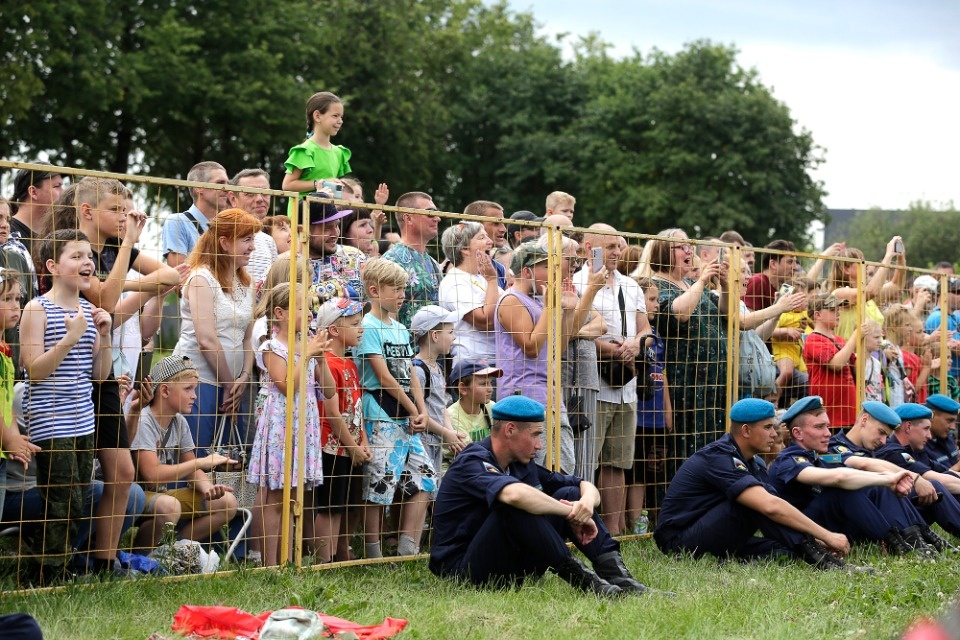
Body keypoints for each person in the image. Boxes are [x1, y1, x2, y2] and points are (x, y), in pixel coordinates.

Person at [429, 395, 652, 596]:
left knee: (570, 493)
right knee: (518, 505)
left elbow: (583, 484)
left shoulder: (520, 463)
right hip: (462, 570)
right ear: (510, 430)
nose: (539, 445)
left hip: (507, 565)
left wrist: (583, 504)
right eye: (535, 435)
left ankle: (621, 579)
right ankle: (588, 583)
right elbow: (515, 496)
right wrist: (570, 513)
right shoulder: (473, 460)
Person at [654, 398, 856, 570]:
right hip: (679, 543)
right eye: (768, 427)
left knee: (783, 549)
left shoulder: (754, 462)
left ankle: (729, 559)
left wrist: (816, 540)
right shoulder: (719, 457)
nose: (775, 435)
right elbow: (770, 507)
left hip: (712, 531)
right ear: (746, 430)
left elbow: (775, 503)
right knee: (755, 502)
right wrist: (828, 536)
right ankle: (824, 564)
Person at [19, 229, 113, 584]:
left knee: (77, 499)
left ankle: (60, 565)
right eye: (76, 256)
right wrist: (70, 337)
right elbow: (35, 370)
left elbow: (100, 375)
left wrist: (103, 335)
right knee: (59, 501)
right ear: (52, 266)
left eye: (89, 256)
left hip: (82, 421)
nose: (87, 262)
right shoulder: (37, 308)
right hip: (50, 421)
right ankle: (47, 573)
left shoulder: (90, 311)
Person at [768, 396, 936, 556]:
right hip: (803, 531)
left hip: (832, 524)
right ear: (797, 433)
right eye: (819, 427)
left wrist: (886, 479)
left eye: (827, 426)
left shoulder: (820, 456)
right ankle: (895, 543)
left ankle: (918, 538)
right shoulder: (788, 460)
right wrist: (887, 479)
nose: (828, 433)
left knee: (874, 485)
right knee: (842, 491)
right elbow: (839, 477)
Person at [495, 242, 601, 474]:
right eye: (546, 268)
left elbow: (557, 349)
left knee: (563, 469)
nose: (554, 274)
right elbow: (531, 347)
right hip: (522, 396)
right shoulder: (511, 300)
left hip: (551, 397)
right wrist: (550, 308)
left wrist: (569, 310)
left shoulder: (538, 302)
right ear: (527, 271)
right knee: (531, 472)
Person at [355, 258, 437, 558]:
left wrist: (421, 409)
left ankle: (408, 548)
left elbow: (410, 372)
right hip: (380, 412)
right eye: (397, 289)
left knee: (426, 476)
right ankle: (373, 553)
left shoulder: (401, 328)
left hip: (407, 415)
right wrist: (411, 407)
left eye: (404, 288)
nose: (403, 295)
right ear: (375, 291)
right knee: (379, 484)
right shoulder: (368, 326)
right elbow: (383, 375)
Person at [247, 284, 333, 566]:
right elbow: (286, 386)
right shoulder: (271, 347)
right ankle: (269, 563)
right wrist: (307, 354)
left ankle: (288, 557)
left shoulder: (307, 346)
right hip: (281, 424)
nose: (308, 313)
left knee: (294, 495)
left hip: (304, 424)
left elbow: (329, 391)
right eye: (300, 308)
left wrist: (318, 357)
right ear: (280, 313)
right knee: (274, 495)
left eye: (309, 307)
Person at [573, 224, 649, 535]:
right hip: (593, 383)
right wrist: (611, 351)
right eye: (610, 246)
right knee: (587, 459)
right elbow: (573, 330)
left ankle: (614, 530)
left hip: (626, 387)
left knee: (618, 462)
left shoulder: (631, 286)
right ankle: (583, 527)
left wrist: (635, 344)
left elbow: (645, 329)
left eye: (620, 246)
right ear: (590, 246)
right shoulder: (577, 283)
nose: (617, 251)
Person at [636, 229, 728, 468]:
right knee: (682, 451)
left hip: (710, 384)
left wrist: (726, 286)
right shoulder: (656, 284)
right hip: (682, 383)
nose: (690, 251)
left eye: (690, 246)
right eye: (681, 247)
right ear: (663, 252)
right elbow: (679, 314)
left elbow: (727, 314)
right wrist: (700, 281)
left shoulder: (691, 284)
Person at [128, 356, 239, 553]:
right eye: (188, 389)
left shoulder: (179, 422)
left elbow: (192, 470)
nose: (195, 396)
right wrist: (202, 462)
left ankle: (171, 551)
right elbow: (152, 476)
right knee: (170, 506)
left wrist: (207, 488)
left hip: (160, 496)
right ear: (164, 390)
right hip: (132, 496)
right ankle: (139, 557)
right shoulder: (144, 420)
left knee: (227, 502)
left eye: (194, 389)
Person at [172, 209, 259, 455]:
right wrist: (232, 384)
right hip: (199, 382)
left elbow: (247, 336)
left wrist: (243, 377)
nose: (252, 247)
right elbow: (206, 340)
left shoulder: (245, 282)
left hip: (234, 384)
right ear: (224, 242)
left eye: (253, 239)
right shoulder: (201, 278)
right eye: (246, 239)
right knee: (196, 455)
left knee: (227, 459)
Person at [828, 401, 960, 541]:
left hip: (879, 513)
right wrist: (916, 478)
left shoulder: (873, 449)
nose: (884, 441)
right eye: (881, 432)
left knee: (936, 488)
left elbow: (947, 474)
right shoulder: (835, 447)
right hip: (852, 521)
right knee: (932, 485)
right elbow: (863, 464)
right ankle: (916, 539)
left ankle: (921, 536)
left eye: (887, 436)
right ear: (864, 420)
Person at [314, 297, 371, 563]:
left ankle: (337, 554)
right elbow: (332, 414)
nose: (361, 328)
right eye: (355, 323)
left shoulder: (348, 362)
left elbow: (356, 408)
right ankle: (324, 560)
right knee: (329, 506)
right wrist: (352, 446)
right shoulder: (327, 364)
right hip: (332, 447)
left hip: (350, 447)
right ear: (334, 330)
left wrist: (364, 442)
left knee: (341, 505)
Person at [624, 277, 671, 532]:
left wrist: (668, 410)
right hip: (638, 414)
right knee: (636, 471)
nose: (657, 305)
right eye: (651, 299)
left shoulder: (657, 337)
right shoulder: (632, 336)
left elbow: (662, 374)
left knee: (654, 470)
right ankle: (633, 521)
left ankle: (650, 517)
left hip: (655, 416)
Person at [410, 305, 466, 475]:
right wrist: (446, 434)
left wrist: (449, 432)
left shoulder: (438, 368)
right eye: (450, 332)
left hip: (436, 441)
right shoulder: (418, 371)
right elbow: (419, 413)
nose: (454, 338)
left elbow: (441, 407)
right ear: (435, 336)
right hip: (421, 443)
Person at [438, 221, 502, 365]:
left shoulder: (481, 278)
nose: (490, 241)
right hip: (474, 364)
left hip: (496, 361)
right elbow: (486, 321)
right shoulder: (454, 282)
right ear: (465, 249)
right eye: (481, 237)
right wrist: (492, 280)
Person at [281, 91, 352, 213]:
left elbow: (331, 186)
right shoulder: (305, 151)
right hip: (302, 217)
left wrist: (339, 185)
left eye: (341, 117)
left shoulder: (339, 152)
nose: (340, 121)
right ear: (317, 116)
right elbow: (287, 185)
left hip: (326, 215)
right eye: (335, 116)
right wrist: (319, 183)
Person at [381, 191, 442, 327]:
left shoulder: (433, 263)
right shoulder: (391, 261)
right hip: (406, 346)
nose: (438, 218)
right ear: (408, 218)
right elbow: (387, 320)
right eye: (430, 213)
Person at [827, 237, 906, 341]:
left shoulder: (868, 298)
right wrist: (888, 256)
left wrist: (901, 257)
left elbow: (896, 285)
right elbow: (871, 292)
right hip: (852, 355)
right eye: (861, 261)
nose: (867, 264)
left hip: (872, 355)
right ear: (846, 269)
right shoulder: (838, 294)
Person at [803, 293, 860, 429]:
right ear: (817, 315)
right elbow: (836, 365)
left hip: (849, 411)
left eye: (838, 309)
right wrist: (856, 336)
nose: (838, 313)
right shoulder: (813, 339)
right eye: (832, 310)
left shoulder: (840, 340)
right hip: (830, 415)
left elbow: (856, 367)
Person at [162, 161, 230, 268]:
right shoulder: (178, 222)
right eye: (220, 183)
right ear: (198, 187)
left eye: (228, 184)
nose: (227, 189)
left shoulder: (228, 226)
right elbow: (179, 277)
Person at [300, 194, 366, 303]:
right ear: (304, 231)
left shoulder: (355, 256)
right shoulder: (288, 265)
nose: (336, 233)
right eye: (327, 228)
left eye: (337, 225)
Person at [228, 168, 276, 286]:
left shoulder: (268, 241)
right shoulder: (222, 235)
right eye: (250, 193)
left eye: (265, 193)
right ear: (233, 199)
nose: (260, 199)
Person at [9, 162, 63, 259]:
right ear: (33, 192)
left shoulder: (57, 233)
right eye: (57, 186)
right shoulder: (6, 231)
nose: (63, 192)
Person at [446, 359, 501, 448]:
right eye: (483, 384)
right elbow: (470, 452)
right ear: (463, 389)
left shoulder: (491, 407)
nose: (490, 389)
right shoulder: (453, 416)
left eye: (490, 383)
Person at [463, 200, 508, 289]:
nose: (504, 229)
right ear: (476, 226)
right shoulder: (458, 266)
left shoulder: (499, 268)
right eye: (496, 223)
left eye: (503, 223)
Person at [742, 239, 797, 312]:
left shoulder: (784, 287)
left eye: (795, 262)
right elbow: (746, 319)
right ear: (773, 264)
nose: (795, 267)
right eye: (790, 262)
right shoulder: (757, 282)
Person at [925, 394, 960, 472]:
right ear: (932, 416)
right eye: (949, 421)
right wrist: (957, 467)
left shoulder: (948, 438)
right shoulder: (920, 445)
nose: (953, 427)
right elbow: (930, 481)